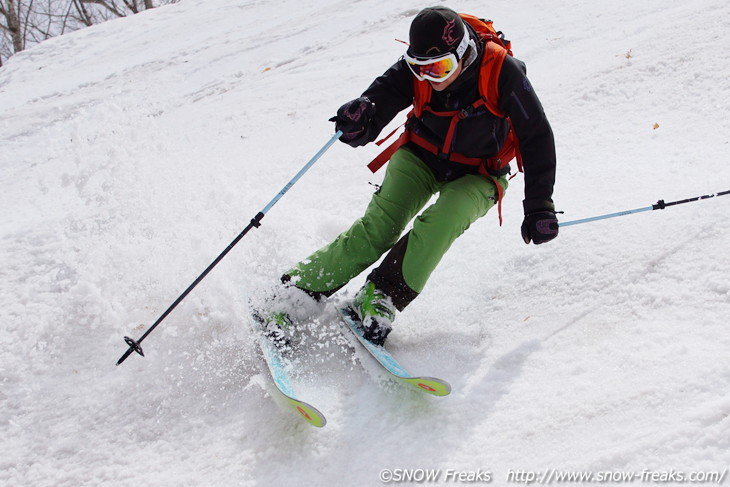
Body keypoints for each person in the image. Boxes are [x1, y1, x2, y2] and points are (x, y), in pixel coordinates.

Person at [260, 6, 558, 348]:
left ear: (464, 52)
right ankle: (294, 293)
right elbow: (381, 99)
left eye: (439, 67)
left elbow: (537, 136)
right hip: (421, 154)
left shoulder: (502, 72)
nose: (430, 76)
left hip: (479, 172)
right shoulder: (416, 70)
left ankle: (380, 296)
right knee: (379, 229)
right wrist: (362, 119)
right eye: (420, 68)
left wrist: (539, 206)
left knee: (441, 222)